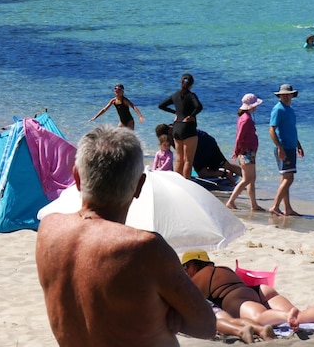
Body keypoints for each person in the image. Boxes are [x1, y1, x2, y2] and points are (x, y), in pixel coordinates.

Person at [35, 126, 216, 347]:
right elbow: (206, 325)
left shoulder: (48, 229)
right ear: (139, 186)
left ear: (77, 178)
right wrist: (167, 311)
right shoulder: (145, 248)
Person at [181, 251, 314, 333]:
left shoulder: (197, 278)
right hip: (259, 290)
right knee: (299, 315)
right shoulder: (223, 268)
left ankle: (285, 317)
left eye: (185, 266)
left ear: (194, 264)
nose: (185, 271)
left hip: (235, 298)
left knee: (259, 318)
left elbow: (195, 302)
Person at [158, 73, 203, 179]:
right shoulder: (191, 96)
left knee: (179, 159)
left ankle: (177, 183)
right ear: (191, 84)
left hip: (176, 127)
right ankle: (187, 184)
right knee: (188, 160)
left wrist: (175, 112)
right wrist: (191, 116)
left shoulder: (175, 95)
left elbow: (161, 105)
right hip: (188, 128)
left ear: (181, 83)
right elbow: (199, 107)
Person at [226, 93, 265, 211]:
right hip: (246, 152)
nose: (256, 107)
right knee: (247, 179)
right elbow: (239, 136)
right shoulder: (246, 119)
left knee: (251, 179)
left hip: (250, 152)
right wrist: (236, 151)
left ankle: (254, 204)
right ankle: (231, 201)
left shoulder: (245, 117)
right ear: (251, 106)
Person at [269, 84, 303, 217]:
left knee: (285, 178)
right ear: (280, 96)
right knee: (289, 178)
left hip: (291, 146)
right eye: (283, 94)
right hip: (284, 147)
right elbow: (271, 130)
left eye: (288, 94)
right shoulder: (278, 109)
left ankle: (287, 208)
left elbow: (292, 130)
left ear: (292, 95)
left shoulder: (290, 109)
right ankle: (275, 206)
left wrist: (298, 145)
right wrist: (279, 147)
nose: (286, 96)